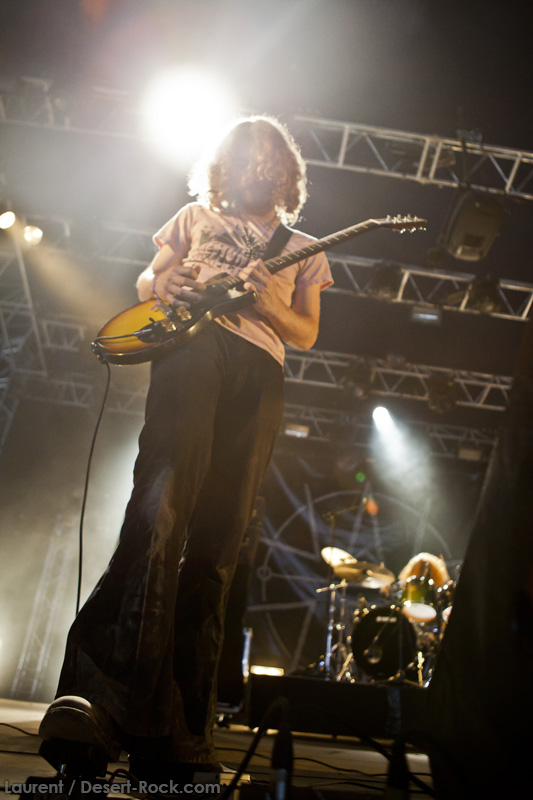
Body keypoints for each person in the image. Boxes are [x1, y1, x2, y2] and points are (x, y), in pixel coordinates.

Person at [38, 115, 333, 779]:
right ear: (224, 167)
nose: (257, 167)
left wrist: (269, 303)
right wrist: (159, 285)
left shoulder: (304, 247)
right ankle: (99, 702)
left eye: (269, 160)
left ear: (286, 175)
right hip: (194, 348)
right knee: (160, 510)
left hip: (260, 370)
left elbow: (306, 333)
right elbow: (152, 280)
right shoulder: (194, 217)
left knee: (218, 543)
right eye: (245, 156)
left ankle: (180, 734)